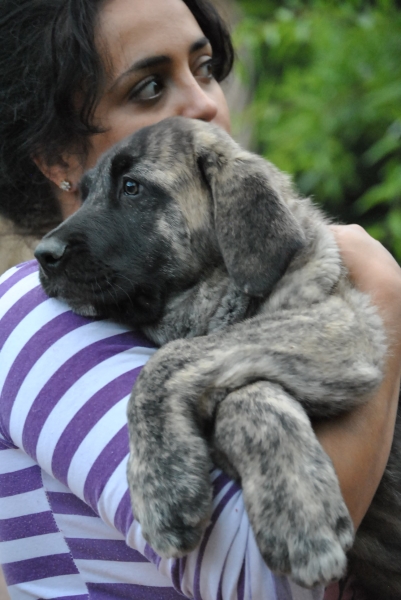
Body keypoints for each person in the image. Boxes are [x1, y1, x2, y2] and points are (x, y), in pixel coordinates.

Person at [0, 0, 400, 599]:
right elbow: (262, 581)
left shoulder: (190, 308)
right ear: (59, 157)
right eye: (150, 87)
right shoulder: (38, 320)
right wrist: (385, 298)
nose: (206, 103)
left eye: (206, 67)